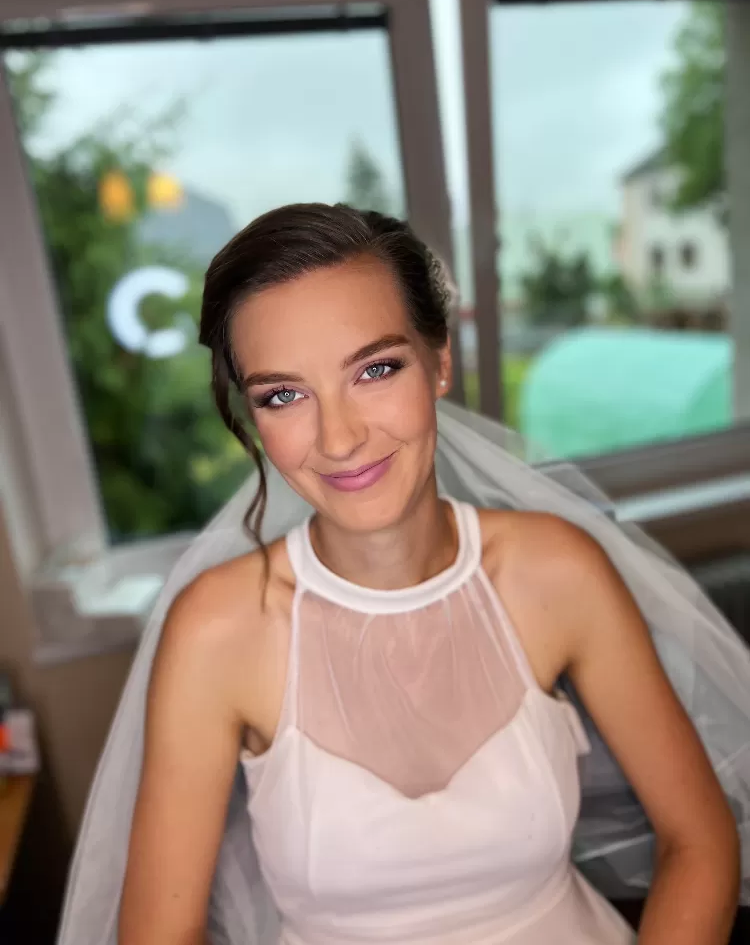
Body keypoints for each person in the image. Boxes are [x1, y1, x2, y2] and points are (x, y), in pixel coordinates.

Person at [112, 204, 739, 945]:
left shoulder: (557, 574)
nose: (340, 438)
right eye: (284, 395)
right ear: (252, 419)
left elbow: (699, 843)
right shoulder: (217, 631)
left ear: (439, 361)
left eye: (375, 370)